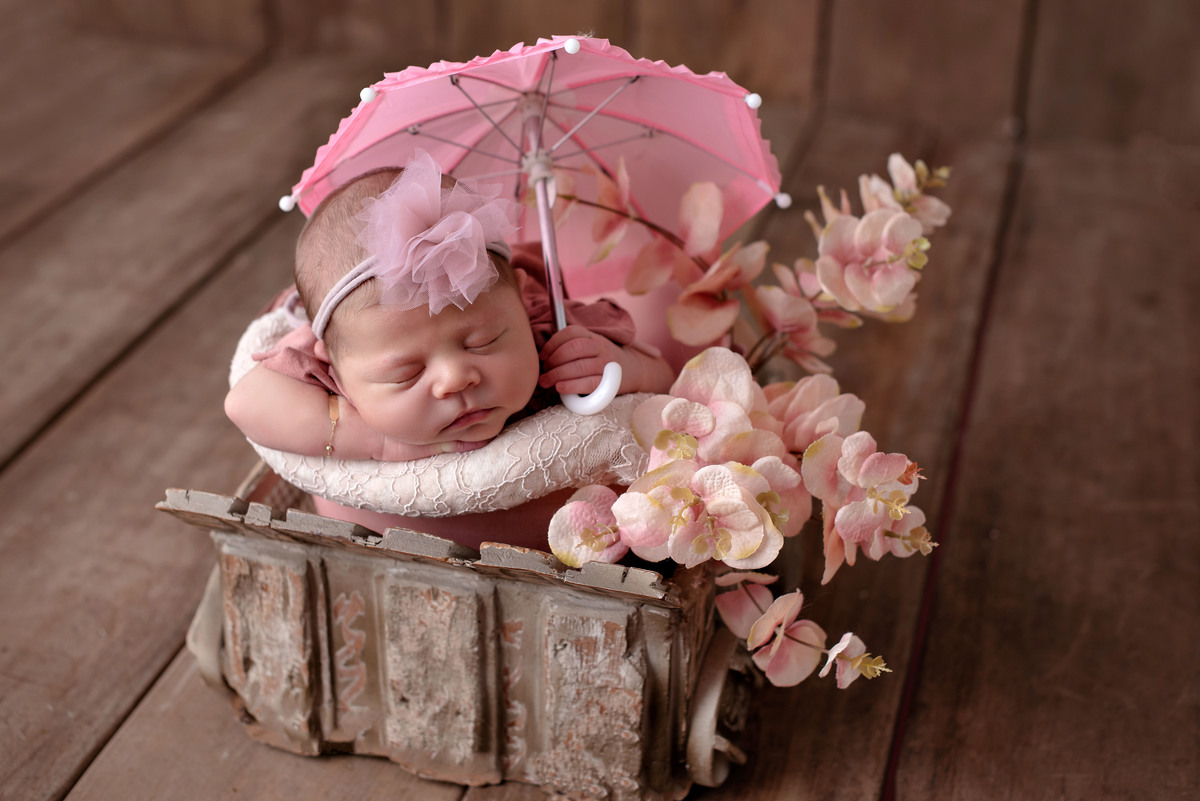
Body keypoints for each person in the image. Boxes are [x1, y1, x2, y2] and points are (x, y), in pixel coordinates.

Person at [225, 150, 674, 471]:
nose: (456, 378)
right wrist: (376, 441)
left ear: (521, 303)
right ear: (334, 369)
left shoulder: (549, 327)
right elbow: (246, 403)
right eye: (406, 373)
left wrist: (621, 366)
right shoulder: (340, 347)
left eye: (484, 341)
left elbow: (663, 375)